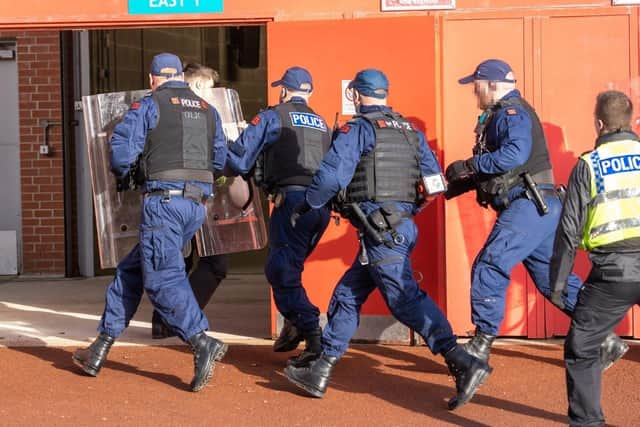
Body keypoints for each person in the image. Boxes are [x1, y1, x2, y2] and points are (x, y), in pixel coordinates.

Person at [283, 68, 491, 410]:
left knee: (405, 299)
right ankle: (321, 369)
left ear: (356, 94)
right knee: (347, 295)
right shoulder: (410, 132)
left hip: (382, 232)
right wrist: (404, 214)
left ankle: (462, 361)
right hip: (395, 228)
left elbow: (331, 177)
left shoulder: (359, 129)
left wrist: (307, 204)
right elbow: (436, 183)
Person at [445, 59, 627, 368]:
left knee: (491, 263)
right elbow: (506, 169)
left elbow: (514, 154)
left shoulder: (511, 113)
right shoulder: (502, 114)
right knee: (552, 282)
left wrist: (471, 165)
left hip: (528, 205)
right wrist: (452, 186)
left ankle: (480, 344)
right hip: (540, 207)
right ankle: (605, 340)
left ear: (492, 84)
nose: (474, 92)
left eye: (476, 85)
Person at [72, 53, 229, 392]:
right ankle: (100, 347)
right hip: (195, 207)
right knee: (133, 270)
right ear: (181, 78)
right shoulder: (208, 110)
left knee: (161, 278)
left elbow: (122, 152)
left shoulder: (148, 105)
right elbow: (219, 158)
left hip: (164, 204)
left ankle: (201, 340)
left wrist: (126, 174)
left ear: (153, 77)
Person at [225, 66, 332, 364]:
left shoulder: (273, 116)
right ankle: (295, 323)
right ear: (309, 92)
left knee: (279, 271)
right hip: (319, 209)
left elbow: (239, 157)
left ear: (283, 90)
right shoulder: (322, 123)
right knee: (290, 268)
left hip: (292, 205)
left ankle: (311, 333)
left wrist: (215, 148)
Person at [550, 90, 638, 426]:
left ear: (599, 123)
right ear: (629, 121)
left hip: (612, 276)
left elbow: (569, 231)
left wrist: (558, 286)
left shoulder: (590, 165)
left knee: (583, 349)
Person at [150, 62, 229, 339]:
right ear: (193, 84)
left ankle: (169, 321)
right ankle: (177, 322)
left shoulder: (198, 115)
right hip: (188, 200)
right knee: (200, 263)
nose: (210, 93)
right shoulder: (199, 115)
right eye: (207, 87)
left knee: (181, 262)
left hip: (187, 200)